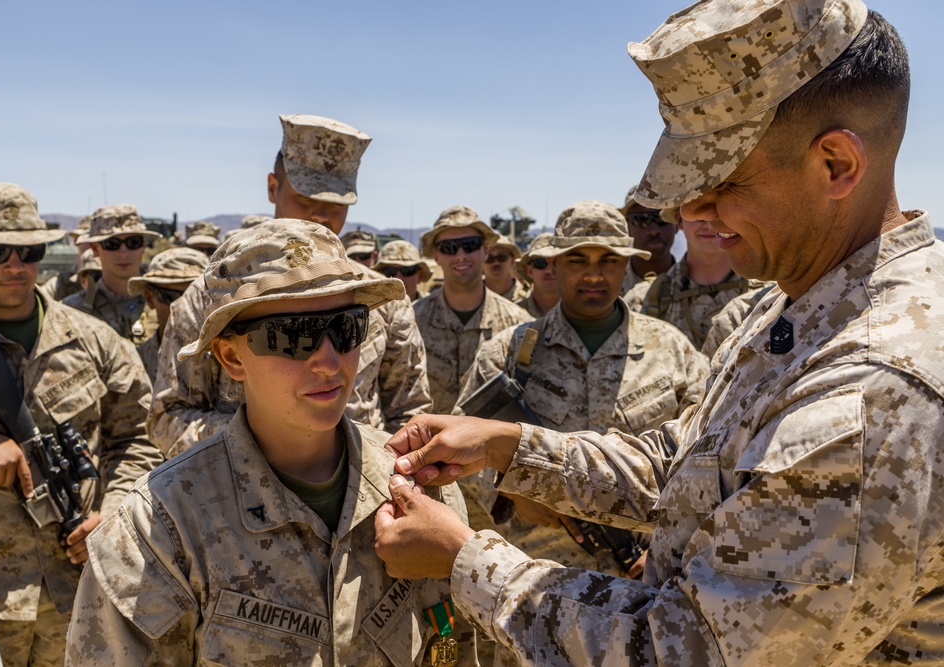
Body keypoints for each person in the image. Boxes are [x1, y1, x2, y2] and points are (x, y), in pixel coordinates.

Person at [374, 2, 944, 664]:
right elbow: (687, 464)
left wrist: (464, 558)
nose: (687, 212)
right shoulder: (794, 307)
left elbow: (694, 650)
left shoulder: (873, 394)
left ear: (837, 164)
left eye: (718, 181)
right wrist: (510, 445)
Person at [65, 220, 475, 666]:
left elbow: (451, 646)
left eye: (347, 328)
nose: (328, 361)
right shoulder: (156, 531)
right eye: (292, 335)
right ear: (231, 357)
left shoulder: (423, 492)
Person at [454, 201, 709, 666]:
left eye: (608, 260)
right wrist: (512, 493)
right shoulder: (507, 355)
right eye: (578, 260)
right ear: (552, 264)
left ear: (627, 264)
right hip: (530, 588)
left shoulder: (672, 350)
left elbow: (710, 453)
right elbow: (461, 449)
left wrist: (666, 542)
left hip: (643, 594)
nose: (594, 275)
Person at [0, 182, 163, 665]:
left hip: (80, 594)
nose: (16, 266)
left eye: (30, 250)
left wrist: (115, 511)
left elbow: (139, 437)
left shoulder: (95, 341)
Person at [149, 114, 432, 457]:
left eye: (337, 204)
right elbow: (168, 417)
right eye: (306, 196)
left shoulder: (379, 296)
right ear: (272, 187)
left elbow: (410, 415)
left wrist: (366, 464)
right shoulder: (211, 296)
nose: (321, 214)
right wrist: (279, 444)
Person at [414, 206, 531, 414]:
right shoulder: (411, 321)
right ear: (436, 256)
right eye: (449, 247)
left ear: (485, 250)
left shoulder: (518, 324)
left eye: (470, 245)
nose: (461, 255)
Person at [625, 206, 767, 351]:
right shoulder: (643, 301)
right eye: (698, 215)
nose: (709, 225)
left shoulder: (769, 296)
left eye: (718, 215)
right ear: (679, 221)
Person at [62, 205, 162, 343]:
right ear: (95, 249)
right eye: (112, 244)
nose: (123, 252)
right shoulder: (71, 311)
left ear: (143, 246)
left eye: (133, 242)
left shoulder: (166, 303)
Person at [127, 247, 208, 383]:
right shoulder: (132, 364)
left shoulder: (230, 362)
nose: (183, 308)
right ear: (149, 298)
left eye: (196, 297)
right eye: (170, 297)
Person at [620, 186, 677, 295]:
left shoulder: (699, 281)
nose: (654, 230)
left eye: (661, 218)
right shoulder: (610, 285)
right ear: (626, 227)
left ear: (678, 224)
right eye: (641, 220)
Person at [39, 216, 91, 302]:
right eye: (89, 237)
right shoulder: (61, 282)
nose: (95, 244)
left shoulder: (113, 281)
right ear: (76, 240)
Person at [514, 233, 559, 317]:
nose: (549, 271)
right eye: (541, 263)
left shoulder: (583, 313)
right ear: (530, 271)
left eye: (555, 263)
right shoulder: (513, 315)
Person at [483, 237, 529, 302]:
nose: (496, 263)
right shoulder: (469, 298)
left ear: (512, 261)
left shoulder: (526, 299)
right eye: (489, 258)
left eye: (502, 257)